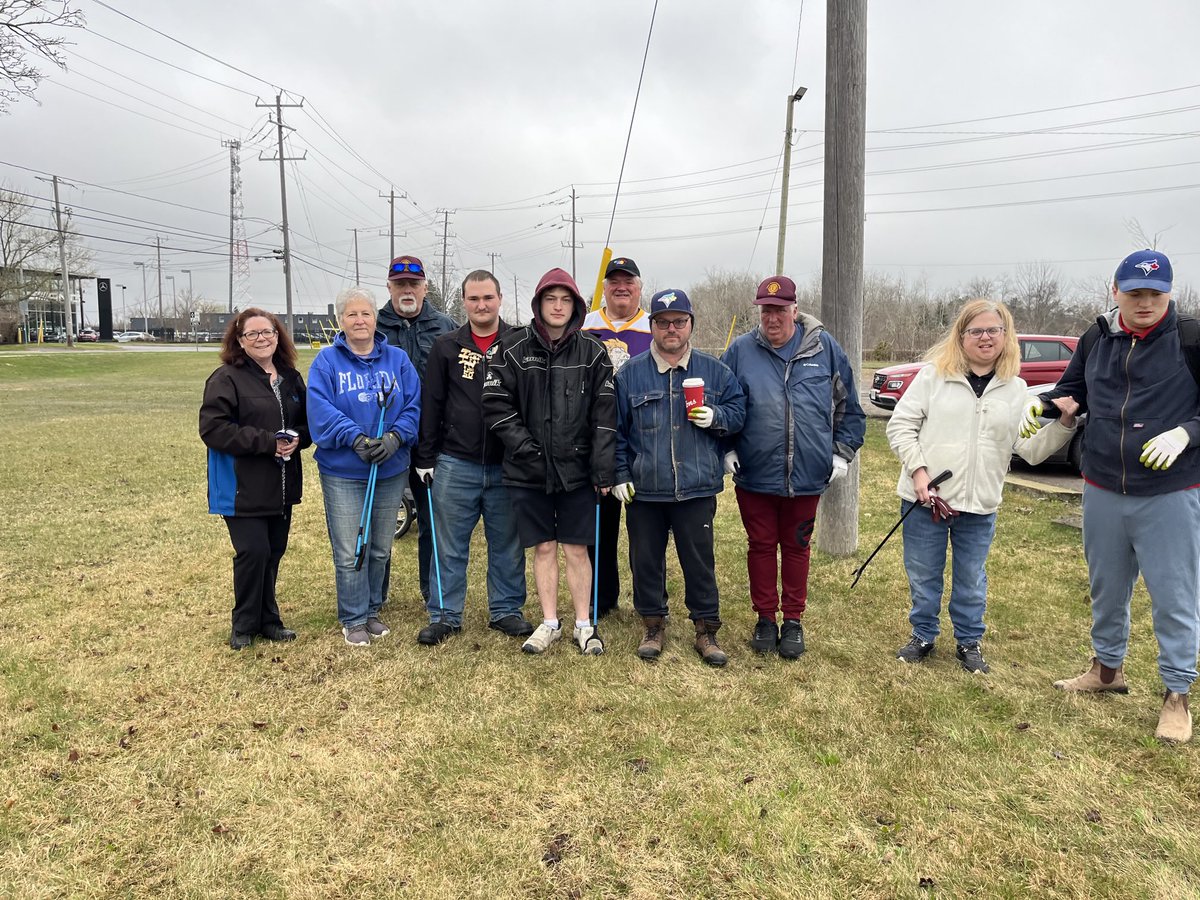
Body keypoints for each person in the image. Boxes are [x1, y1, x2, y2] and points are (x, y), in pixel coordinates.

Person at [1040, 250, 1200, 743]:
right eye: (1135, 293)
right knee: (1107, 586)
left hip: (1171, 490)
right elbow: (1072, 391)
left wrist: (1186, 433)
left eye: (1155, 293)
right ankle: (1107, 669)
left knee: (1174, 595)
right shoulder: (1097, 336)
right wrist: (1054, 408)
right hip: (1103, 483)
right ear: (1116, 292)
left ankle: (1177, 695)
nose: (1145, 302)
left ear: (1169, 292)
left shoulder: (1192, 339)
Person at [886, 299, 1079, 674]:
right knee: (924, 573)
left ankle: (968, 642)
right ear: (961, 336)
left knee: (971, 578)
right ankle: (923, 635)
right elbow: (900, 426)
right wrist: (918, 471)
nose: (985, 337)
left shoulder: (1017, 390)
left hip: (980, 504)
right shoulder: (932, 377)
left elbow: (1029, 450)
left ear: (1006, 337)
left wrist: (1064, 426)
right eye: (976, 331)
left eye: (994, 330)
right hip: (928, 500)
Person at [722, 275, 866, 659]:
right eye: (766, 310)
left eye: (780, 310)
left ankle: (794, 621)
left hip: (807, 474)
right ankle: (766, 618)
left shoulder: (824, 348)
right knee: (762, 546)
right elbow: (722, 403)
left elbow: (849, 406)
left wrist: (841, 452)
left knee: (798, 546)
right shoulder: (740, 352)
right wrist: (727, 447)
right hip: (754, 473)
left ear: (795, 310)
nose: (772, 318)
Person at [483, 268, 616, 655]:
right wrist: (526, 448)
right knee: (544, 548)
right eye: (550, 299)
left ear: (575, 306)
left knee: (577, 549)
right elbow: (496, 406)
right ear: (539, 304)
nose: (557, 307)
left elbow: (605, 415)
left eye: (565, 300)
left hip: (577, 473)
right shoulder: (511, 349)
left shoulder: (594, 352)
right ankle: (549, 622)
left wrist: (602, 467)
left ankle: (583, 624)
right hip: (529, 471)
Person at [613, 289, 746, 666]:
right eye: (663, 322)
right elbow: (617, 432)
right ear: (651, 326)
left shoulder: (715, 371)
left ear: (691, 324)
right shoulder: (630, 375)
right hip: (646, 488)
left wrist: (717, 417)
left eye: (679, 322)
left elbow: (739, 413)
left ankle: (706, 630)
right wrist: (621, 473)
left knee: (699, 561)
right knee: (645, 560)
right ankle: (652, 625)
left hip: (696, 487)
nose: (671, 329)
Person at [412, 270, 532, 644]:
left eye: (488, 298)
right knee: (448, 544)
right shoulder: (446, 346)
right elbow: (431, 402)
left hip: (507, 464)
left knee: (507, 543)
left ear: (499, 299)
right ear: (464, 302)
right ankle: (446, 614)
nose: (482, 305)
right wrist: (425, 456)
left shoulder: (520, 343)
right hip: (454, 463)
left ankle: (506, 610)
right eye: (474, 299)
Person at [309, 286, 422, 647]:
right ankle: (353, 618)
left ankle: (373, 609)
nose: (360, 320)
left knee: (379, 547)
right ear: (341, 321)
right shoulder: (326, 362)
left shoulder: (398, 360)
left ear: (376, 318)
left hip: (389, 469)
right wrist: (354, 437)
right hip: (344, 471)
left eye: (366, 314)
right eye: (352, 315)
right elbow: (321, 409)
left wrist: (395, 438)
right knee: (351, 547)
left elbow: (413, 406)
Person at [200, 308, 311, 650]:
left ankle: (269, 621)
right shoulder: (226, 378)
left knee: (273, 551)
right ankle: (244, 624)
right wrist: (268, 443)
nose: (262, 339)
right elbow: (213, 429)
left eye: (268, 332)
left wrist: (298, 439)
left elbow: (308, 424)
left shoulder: (290, 378)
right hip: (242, 485)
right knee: (253, 551)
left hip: (281, 484)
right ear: (239, 340)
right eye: (253, 334)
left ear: (278, 337)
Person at [374, 255, 457, 613]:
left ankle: (432, 592)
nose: (407, 290)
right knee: (380, 523)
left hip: (432, 442)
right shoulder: (370, 325)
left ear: (425, 287)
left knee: (432, 521)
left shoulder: (446, 326)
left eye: (414, 284)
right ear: (389, 286)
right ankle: (375, 594)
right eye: (399, 284)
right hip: (385, 440)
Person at [582, 257, 654, 617]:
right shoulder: (587, 325)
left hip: (643, 440)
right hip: (600, 437)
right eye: (614, 282)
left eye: (629, 282)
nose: (621, 287)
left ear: (639, 288)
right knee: (601, 525)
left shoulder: (653, 327)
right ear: (605, 287)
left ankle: (648, 601)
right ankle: (601, 596)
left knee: (645, 531)